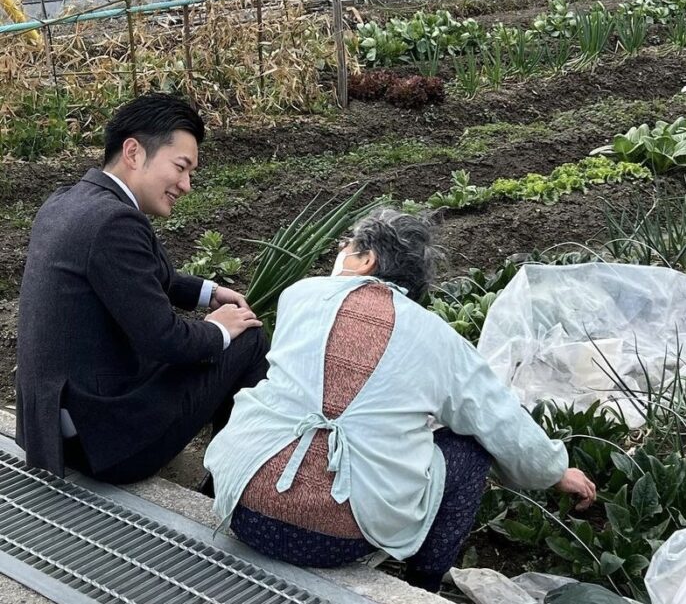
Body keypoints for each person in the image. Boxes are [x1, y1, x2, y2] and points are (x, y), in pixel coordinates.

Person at [205, 208, 596, 592]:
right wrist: (554, 471)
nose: (340, 250)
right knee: (470, 448)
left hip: (243, 508)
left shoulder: (301, 295)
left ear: (366, 259)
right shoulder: (439, 340)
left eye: (348, 245)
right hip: (336, 541)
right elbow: (499, 418)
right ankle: (422, 586)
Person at [16, 93, 270, 485]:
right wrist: (221, 327)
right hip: (103, 445)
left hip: (51, 429)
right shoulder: (115, 222)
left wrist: (208, 292)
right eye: (181, 167)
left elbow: (143, 275)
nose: (186, 185)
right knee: (248, 340)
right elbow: (165, 340)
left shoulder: (68, 200)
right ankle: (229, 482)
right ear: (133, 152)